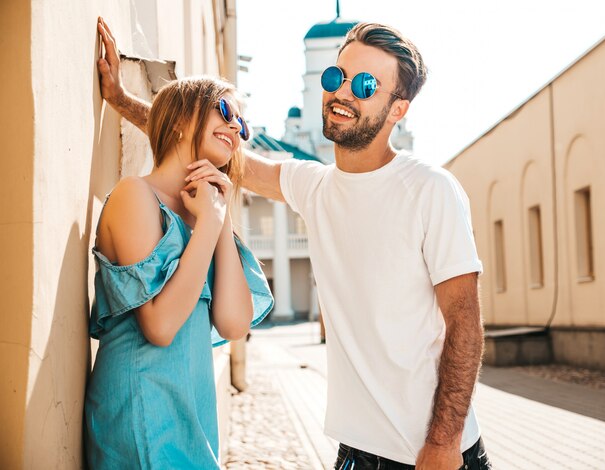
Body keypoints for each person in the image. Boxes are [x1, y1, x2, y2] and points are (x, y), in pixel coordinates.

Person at [97, 17, 490, 470]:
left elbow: (465, 325)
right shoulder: (315, 186)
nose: (343, 92)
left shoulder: (431, 189)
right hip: (356, 451)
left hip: (436, 454)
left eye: (365, 84)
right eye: (335, 77)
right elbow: (207, 139)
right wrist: (121, 100)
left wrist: (443, 443)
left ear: (397, 109)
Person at [87, 23, 273, 468]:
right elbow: (160, 326)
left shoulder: (208, 216)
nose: (236, 125)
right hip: (141, 417)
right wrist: (209, 224)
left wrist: (218, 218)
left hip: (192, 421)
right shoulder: (135, 196)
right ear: (182, 118)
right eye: (225, 109)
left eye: (241, 122)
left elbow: (232, 323)